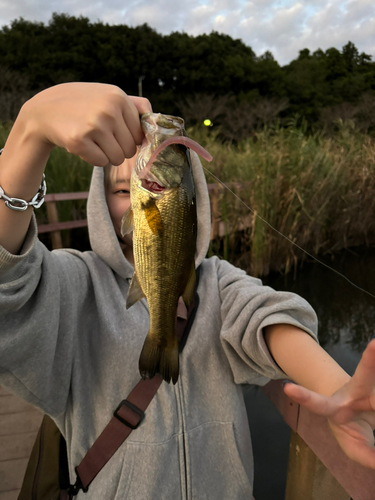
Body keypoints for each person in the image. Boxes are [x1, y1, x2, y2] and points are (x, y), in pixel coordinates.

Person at [0, 82, 374, 499]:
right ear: (99, 202)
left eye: (143, 186)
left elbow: (265, 315)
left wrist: (337, 389)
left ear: (190, 198)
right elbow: (8, 288)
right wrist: (29, 133)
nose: (133, 195)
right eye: (122, 190)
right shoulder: (74, 289)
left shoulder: (218, 283)